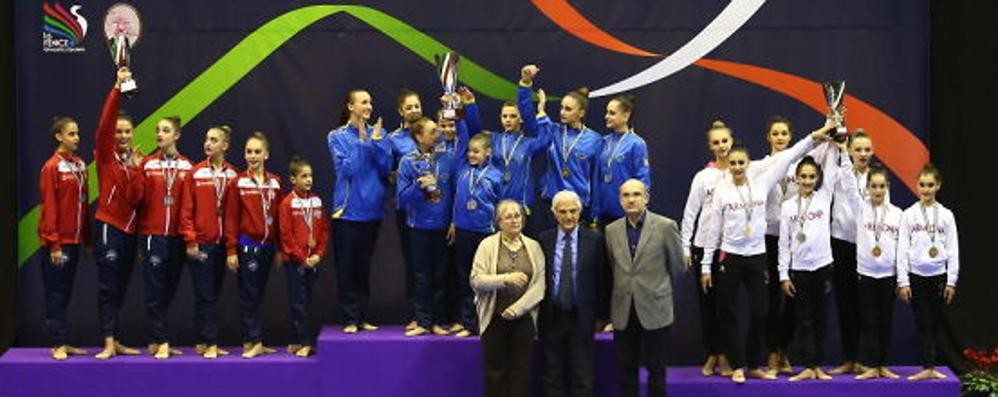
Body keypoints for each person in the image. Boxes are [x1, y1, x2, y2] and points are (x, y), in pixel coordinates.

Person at [700, 121, 833, 383]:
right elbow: (713, 230)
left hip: (757, 257)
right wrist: (706, 266)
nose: (738, 167)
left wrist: (813, 137)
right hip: (730, 256)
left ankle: (752, 364)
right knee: (727, 312)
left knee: (761, 312)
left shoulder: (762, 182)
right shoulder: (722, 192)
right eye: (734, 163)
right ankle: (736, 365)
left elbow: (790, 155)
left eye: (742, 163)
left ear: (748, 164)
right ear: (729, 165)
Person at [606, 179, 683, 396]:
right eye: (626, 195)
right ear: (620, 200)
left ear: (646, 198)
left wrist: (657, 290)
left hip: (655, 308)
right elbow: (614, 268)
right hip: (624, 310)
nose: (631, 200)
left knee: (656, 370)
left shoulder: (665, 226)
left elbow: (677, 267)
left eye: (636, 195)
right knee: (625, 370)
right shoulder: (611, 231)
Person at [327, 89, 391, 334]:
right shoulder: (336, 136)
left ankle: (362, 315)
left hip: (372, 211)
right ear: (351, 106)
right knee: (347, 268)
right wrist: (364, 144)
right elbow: (347, 170)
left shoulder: (380, 133)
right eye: (364, 102)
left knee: (363, 268)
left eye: (370, 101)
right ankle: (350, 318)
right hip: (347, 212)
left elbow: (386, 170)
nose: (369, 106)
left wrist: (375, 143)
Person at [777, 146, 842, 381]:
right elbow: (783, 244)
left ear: (817, 179)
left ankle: (817, 367)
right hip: (800, 270)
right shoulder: (787, 207)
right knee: (804, 319)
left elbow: (833, 169)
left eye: (811, 177)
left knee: (821, 319)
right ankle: (807, 365)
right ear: (796, 178)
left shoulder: (824, 198)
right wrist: (784, 275)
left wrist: (834, 139)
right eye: (803, 176)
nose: (807, 180)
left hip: (823, 267)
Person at [131, 116, 192, 359]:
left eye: (166, 130)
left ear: (176, 135)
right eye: (158, 130)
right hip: (152, 235)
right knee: (154, 289)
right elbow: (135, 199)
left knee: (169, 288)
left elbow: (191, 205)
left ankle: (157, 338)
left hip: (177, 236)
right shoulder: (146, 164)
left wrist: (189, 237)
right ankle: (163, 340)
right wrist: (136, 169)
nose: (160, 134)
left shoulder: (188, 167)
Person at [471, 200, 545, 397]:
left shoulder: (534, 247)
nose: (514, 220)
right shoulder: (487, 245)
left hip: (524, 320)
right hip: (494, 317)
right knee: (495, 373)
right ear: (499, 222)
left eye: (518, 215)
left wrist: (518, 309)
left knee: (521, 372)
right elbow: (476, 280)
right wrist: (505, 279)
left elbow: (540, 285)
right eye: (509, 217)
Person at [93, 67, 143, 360]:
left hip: (129, 231)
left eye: (127, 132)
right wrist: (116, 89)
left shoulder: (135, 159)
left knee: (121, 285)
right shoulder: (104, 154)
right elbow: (104, 126)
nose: (123, 136)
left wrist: (136, 169)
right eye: (119, 131)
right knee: (108, 285)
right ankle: (108, 341)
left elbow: (137, 199)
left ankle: (116, 338)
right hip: (108, 227)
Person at [464, 70, 551, 237]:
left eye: (513, 116)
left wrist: (541, 112)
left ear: (521, 119)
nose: (508, 119)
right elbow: (475, 134)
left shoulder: (528, 143)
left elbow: (546, 140)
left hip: (522, 207)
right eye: (505, 116)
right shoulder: (494, 139)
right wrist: (470, 105)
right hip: (498, 206)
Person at [538, 190, 608, 397]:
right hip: (552, 316)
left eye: (573, 211)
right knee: (552, 375)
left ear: (579, 212)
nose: (569, 216)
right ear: (554, 214)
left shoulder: (594, 240)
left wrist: (601, 317)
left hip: (582, 317)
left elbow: (602, 280)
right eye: (563, 211)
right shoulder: (544, 239)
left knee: (582, 376)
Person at [680, 121, 735, 376]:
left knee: (727, 307)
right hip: (705, 249)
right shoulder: (703, 177)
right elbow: (691, 212)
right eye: (716, 142)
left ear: (731, 141)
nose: (721, 146)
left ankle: (726, 355)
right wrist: (686, 247)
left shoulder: (742, 170)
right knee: (708, 306)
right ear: (710, 146)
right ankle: (712, 354)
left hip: (732, 248)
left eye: (725, 141)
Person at [179, 125, 238, 359]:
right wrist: (191, 240)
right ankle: (211, 342)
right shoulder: (194, 173)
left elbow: (233, 215)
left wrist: (231, 246)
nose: (208, 143)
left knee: (212, 293)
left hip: (222, 244)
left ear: (225, 146)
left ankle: (203, 340)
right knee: (205, 294)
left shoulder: (233, 175)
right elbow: (186, 211)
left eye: (214, 140)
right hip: (201, 243)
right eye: (206, 139)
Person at [828, 129, 884, 375]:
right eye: (858, 149)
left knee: (866, 306)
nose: (862, 153)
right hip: (841, 243)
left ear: (872, 152)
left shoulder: (877, 178)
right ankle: (849, 358)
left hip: (867, 247)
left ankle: (866, 359)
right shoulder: (840, 173)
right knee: (845, 303)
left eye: (867, 149)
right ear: (849, 150)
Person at [224, 131, 284, 358]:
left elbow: (280, 218)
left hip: (268, 246)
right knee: (249, 293)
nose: (252, 156)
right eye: (249, 151)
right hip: (247, 244)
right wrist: (231, 250)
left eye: (257, 151)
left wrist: (280, 248)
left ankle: (250, 340)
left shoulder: (276, 183)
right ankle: (256, 339)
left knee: (257, 294)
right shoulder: (238, 183)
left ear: (266, 154)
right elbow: (230, 218)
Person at [897, 163, 960, 381]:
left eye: (930, 185)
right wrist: (903, 282)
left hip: (939, 276)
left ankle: (932, 366)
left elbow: (953, 249)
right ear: (916, 186)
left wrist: (951, 281)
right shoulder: (908, 215)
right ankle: (927, 365)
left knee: (935, 321)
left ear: (938, 186)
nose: (926, 189)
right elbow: (902, 249)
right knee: (922, 321)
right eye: (922, 185)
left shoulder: (946, 215)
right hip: (916, 276)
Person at [519, 65, 601, 226]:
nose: (562, 112)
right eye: (562, 107)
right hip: (552, 205)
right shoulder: (552, 131)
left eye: (568, 109)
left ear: (581, 113)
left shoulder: (595, 139)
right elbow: (527, 115)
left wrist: (594, 214)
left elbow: (596, 179)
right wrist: (526, 82)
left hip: (579, 208)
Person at [842, 163, 903, 380]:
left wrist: (901, 279)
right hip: (865, 274)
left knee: (885, 321)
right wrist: (843, 154)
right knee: (869, 321)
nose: (877, 190)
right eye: (873, 186)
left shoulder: (897, 214)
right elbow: (848, 184)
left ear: (887, 187)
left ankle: (882, 365)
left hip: (888, 275)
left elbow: (902, 249)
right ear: (866, 188)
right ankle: (871, 365)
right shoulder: (860, 208)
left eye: (881, 186)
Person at [398, 117, 457, 336]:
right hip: (419, 227)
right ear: (419, 137)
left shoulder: (447, 158)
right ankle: (423, 321)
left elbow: (455, 193)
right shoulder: (407, 162)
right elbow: (402, 199)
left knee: (441, 275)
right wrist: (418, 186)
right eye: (433, 131)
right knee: (422, 276)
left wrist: (454, 221)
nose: (438, 134)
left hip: (442, 225)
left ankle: (438, 320)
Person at [38, 115, 90, 360]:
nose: (76, 138)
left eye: (77, 133)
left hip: (75, 241)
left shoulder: (79, 164)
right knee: (56, 293)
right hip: (57, 244)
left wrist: (87, 239)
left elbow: (84, 205)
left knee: (66, 292)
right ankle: (57, 343)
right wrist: (54, 245)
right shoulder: (51, 167)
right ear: (59, 137)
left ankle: (63, 341)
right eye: (71, 134)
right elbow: (49, 208)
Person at [449, 132, 501, 337]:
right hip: (463, 230)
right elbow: (456, 198)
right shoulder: (462, 170)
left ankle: (485, 321)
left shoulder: (495, 175)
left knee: (485, 279)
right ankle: (467, 321)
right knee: (464, 277)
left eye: (476, 151)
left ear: (488, 153)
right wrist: (453, 222)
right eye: (470, 151)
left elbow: (500, 203)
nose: (471, 154)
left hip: (485, 232)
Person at [278, 156, 329, 358]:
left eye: (310, 176)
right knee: (298, 302)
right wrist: (301, 258)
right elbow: (286, 236)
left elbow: (324, 231)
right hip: (295, 262)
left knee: (306, 302)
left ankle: (297, 340)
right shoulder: (287, 203)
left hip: (312, 260)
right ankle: (305, 342)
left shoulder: (316, 201)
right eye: (303, 176)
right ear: (293, 179)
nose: (308, 180)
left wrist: (318, 254)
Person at [761, 116, 797, 373]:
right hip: (770, 237)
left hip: (796, 239)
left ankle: (784, 349)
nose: (780, 137)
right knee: (772, 299)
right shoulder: (761, 166)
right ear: (768, 137)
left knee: (795, 299)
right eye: (775, 133)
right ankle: (772, 352)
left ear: (790, 137)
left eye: (784, 133)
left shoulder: (800, 167)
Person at [593, 95, 651, 226]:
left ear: (625, 116)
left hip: (627, 213)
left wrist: (639, 210)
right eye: (607, 112)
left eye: (612, 113)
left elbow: (643, 179)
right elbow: (597, 178)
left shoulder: (636, 143)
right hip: (604, 213)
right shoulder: (603, 142)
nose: (606, 116)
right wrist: (595, 210)